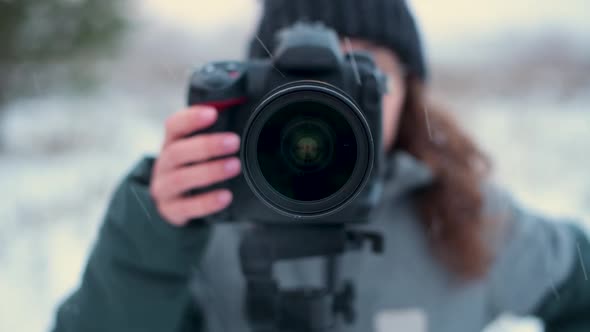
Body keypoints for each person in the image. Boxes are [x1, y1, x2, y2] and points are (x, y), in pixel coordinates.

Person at [52, 0, 590, 331]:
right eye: (302, 82)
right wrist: (153, 236)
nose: (334, 103)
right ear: (257, 94)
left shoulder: (469, 218)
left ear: (407, 89)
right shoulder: (209, 221)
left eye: (364, 71)